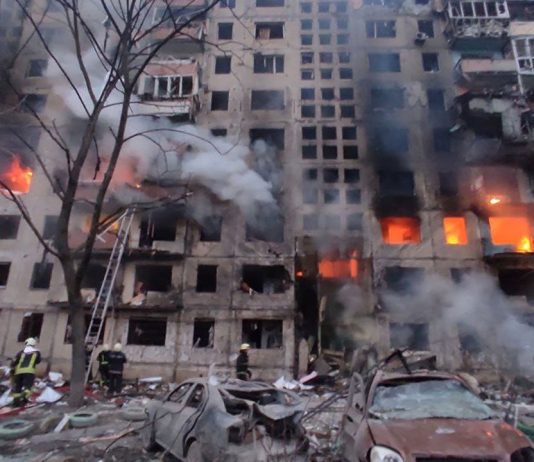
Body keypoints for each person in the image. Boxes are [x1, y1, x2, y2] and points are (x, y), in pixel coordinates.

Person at [10, 338, 41, 407]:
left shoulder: (21, 352)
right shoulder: (37, 352)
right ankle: (24, 400)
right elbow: (38, 361)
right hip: (29, 372)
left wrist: (12, 368)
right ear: (34, 344)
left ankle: (15, 403)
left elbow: (14, 361)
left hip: (19, 372)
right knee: (28, 387)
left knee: (18, 387)